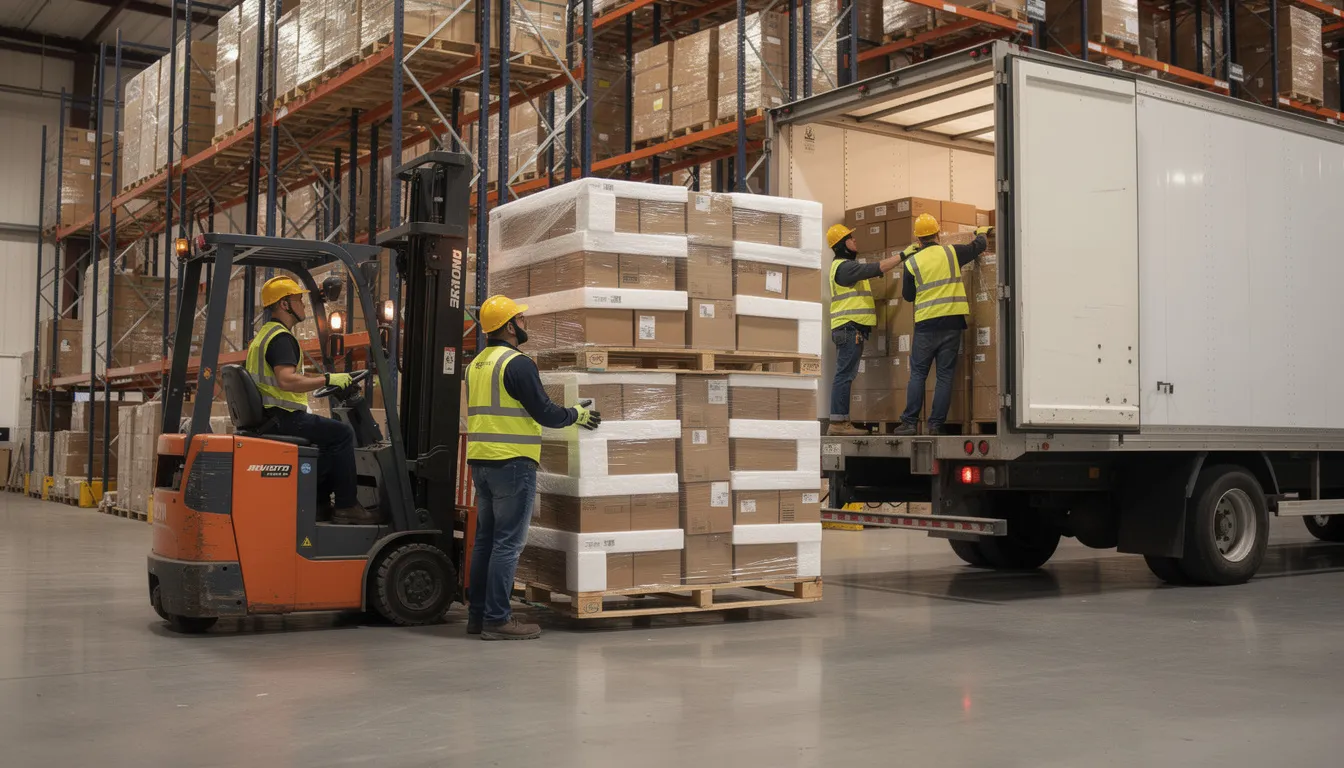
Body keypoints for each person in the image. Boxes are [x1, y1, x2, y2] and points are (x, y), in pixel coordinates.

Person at [466, 295, 602, 641]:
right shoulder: (517, 363)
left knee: (485, 542)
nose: (525, 325)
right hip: (512, 463)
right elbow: (544, 412)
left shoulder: (477, 363)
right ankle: (498, 619)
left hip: (481, 463)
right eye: (521, 320)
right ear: (509, 326)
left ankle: (478, 616)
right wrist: (576, 415)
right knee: (508, 544)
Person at [245, 276, 373, 525]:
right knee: (342, 434)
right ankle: (347, 506)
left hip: (271, 416)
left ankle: (319, 505)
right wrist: (328, 379)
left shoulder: (263, 336)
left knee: (326, 443)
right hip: (282, 417)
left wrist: (329, 380)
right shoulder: (281, 338)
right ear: (284, 304)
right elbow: (287, 380)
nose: (303, 304)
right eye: (298, 300)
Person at [893, 214, 992, 436]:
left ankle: (909, 423)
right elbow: (978, 246)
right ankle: (935, 425)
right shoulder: (951, 252)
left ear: (918, 240)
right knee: (945, 375)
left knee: (918, 373)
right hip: (952, 323)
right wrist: (981, 232)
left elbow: (908, 296)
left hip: (926, 325)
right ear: (938, 234)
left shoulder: (912, 263)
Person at [825, 223, 907, 436]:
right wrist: (902, 256)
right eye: (851, 238)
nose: (855, 241)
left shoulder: (844, 267)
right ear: (843, 245)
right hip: (849, 328)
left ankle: (841, 421)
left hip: (851, 328)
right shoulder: (844, 267)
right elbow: (874, 268)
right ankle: (838, 423)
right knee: (844, 374)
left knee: (846, 374)